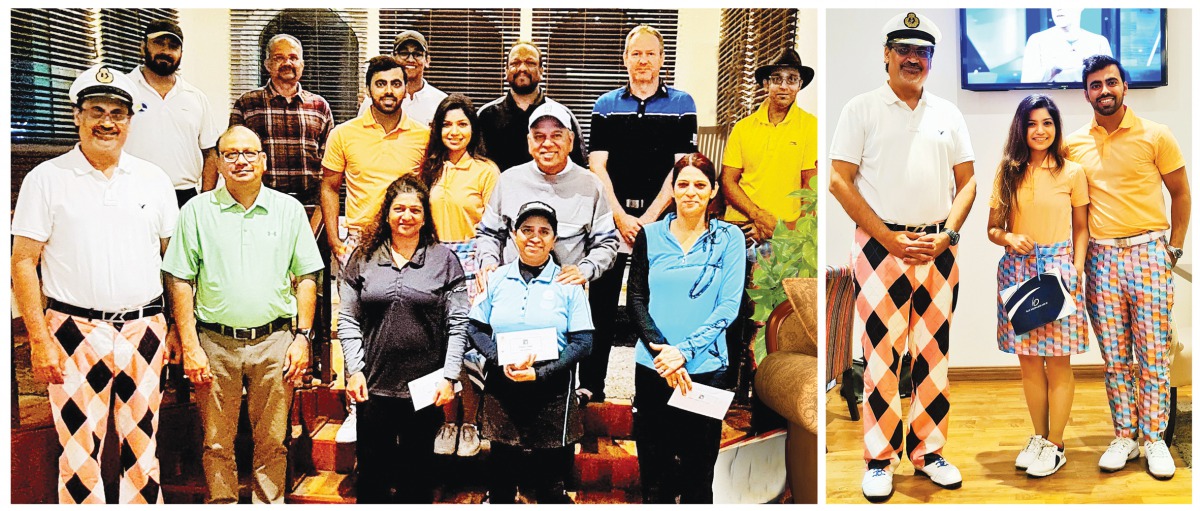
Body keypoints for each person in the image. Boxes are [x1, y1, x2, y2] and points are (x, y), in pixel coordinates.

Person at [11, 64, 178, 504]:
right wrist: (39, 338)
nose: (108, 122)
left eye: (118, 113)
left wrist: (178, 328)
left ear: (129, 120)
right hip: (72, 332)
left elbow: (174, 264)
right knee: (79, 452)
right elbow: (24, 262)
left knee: (144, 450)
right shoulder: (45, 179)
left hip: (145, 329)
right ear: (77, 115)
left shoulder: (154, 179)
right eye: (96, 111)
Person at [828, 12, 977, 502]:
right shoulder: (862, 109)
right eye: (904, 49)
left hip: (937, 249)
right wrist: (888, 238)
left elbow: (969, 181)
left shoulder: (948, 114)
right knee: (881, 358)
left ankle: (929, 453)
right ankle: (878, 459)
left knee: (933, 356)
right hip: (878, 250)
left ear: (931, 59)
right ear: (887, 54)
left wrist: (949, 235)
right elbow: (838, 181)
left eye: (923, 51)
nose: (913, 58)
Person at [162, 126, 323, 504]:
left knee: (273, 440)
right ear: (217, 162)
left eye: (249, 153)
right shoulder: (197, 212)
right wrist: (190, 344)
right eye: (230, 154)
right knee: (216, 441)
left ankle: (270, 502)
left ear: (264, 162)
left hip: (276, 342)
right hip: (215, 343)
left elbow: (306, 279)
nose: (240, 161)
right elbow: (181, 280)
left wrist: (303, 338)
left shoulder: (288, 210)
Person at [1065, 54, 1190, 480]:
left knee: (1154, 354)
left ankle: (1154, 439)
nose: (1104, 90)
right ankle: (1125, 436)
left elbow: (1181, 194)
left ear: (1125, 87)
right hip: (1100, 258)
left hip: (1148, 252)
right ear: (1086, 93)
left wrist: (1172, 249)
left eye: (1111, 82)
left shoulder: (1157, 135)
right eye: (1096, 85)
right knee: (1115, 357)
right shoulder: (1074, 143)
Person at [583, 24, 698, 405]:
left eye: (650, 53)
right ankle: (592, 388)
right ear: (625, 59)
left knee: (653, 307)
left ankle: (649, 392)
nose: (643, 60)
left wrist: (648, 218)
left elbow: (682, 168)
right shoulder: (605, 104)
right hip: (612, 220)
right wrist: (620, 217)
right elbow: (597, 166)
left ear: (662, 59)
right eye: (636, 53)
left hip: (662, 221)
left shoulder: (683, 103)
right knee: (599, 307)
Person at [337, 175, 469, 502]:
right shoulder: (362, 258)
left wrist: (450, 376)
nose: (406, 216)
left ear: (425, 217)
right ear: (386, 213)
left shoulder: (445, 261)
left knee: (418, 477)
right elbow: (348, 319)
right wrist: (354, 369)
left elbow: (458, 323)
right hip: (374, 386)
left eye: (414, 210)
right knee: (372, 478)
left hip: (425, 388)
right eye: (399, 209)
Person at [627, 153, 745, 503]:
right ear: (673, 191)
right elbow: (636, 299)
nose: (690, 192)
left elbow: (729, 306)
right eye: (683, 184)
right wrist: (664, 351)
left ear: (713, 191)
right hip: (654, 367)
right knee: (654, 472)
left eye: (700, 185)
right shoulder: (649, 235)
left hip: (706, 370)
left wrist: (685, 352)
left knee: (698, 472)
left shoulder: (729, 237)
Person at [986, 94, 1089, 478]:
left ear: (1056, 127)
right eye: (1032, 124)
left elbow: (1082, 228)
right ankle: (1039, 437)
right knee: (1029, 362)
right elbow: (993, 229)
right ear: (1021, 128)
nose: (1040, 130)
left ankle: (1056, 444)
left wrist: (1075, 269)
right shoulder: (1007, 172)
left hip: (1058, 272)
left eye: (1047, 123)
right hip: (1018, 272)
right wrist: (1009, 238)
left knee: (1059, 362)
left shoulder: (1073, 172)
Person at [468, 201, 594, 504]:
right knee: (501, 480)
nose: (534, 237)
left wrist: (541, 372)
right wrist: (499, 360)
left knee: (550, 484)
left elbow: (583, 342)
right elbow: (475, 328)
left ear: (554, 238)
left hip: (552, 389)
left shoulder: (568, 282)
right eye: (526, 230)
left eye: (543, 231)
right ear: (513, 234)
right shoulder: (495, 278)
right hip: (503, 383)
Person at [421, 93, 500, 457]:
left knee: (467, 345)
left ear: (473, 129)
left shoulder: (486, 170)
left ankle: (470, 422)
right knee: (436, 345)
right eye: (447, 124)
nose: (454, 131)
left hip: (473, 262)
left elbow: (495, 227)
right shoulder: (427, 169)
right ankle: (446, 421)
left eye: (462, 124)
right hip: (433, 261)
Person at [475, 101, 619, 292]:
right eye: (539, 137)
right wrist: (488, 263)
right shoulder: (508, 180)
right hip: (511, 293)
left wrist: (585, 270)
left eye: (556, 136)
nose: (547, 143)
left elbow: (607, 242)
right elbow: (489, 233)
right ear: (529, 142)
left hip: (566, 295)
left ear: (571, 140)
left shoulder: (592, 186)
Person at [321, 55, 430, 267]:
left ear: (406, 90)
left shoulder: (424, 136)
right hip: (359, 240)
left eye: (396, 84)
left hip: (407, 238)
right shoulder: (343, 134)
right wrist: (334, 241)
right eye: (381, 84)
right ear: (369, 90)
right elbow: (329, 187)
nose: (388, 91)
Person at [722, 47, 818, 242]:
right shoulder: (742, 128)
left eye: (791, 79)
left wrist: (787, 232)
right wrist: (757, 216)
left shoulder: (811, 126)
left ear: (799, 85)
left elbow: (810, 186)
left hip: (784, 231)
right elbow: (728, 181)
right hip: (742, 225)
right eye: (776, 79)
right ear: (766, 84)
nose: (784, 86)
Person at [124, 18, 223, 206]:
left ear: (181, 53)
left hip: (184, 196)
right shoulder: (125, 91)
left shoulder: (196, 97)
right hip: (132, 193)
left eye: (173, 46)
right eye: (158, 44)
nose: (165, 51)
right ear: (143, 46)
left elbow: (210, 153)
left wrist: (204, 200)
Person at [230, 33, 335, 206]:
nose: (287, 63)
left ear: (302, 64)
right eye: (279, 57)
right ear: (267, 64)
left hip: (310, 203)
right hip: (260, 201)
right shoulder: (247, 104)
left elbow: (330, 164)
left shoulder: (319, 106)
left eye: (293, 58)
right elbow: (235, 156)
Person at [476, 40, 588, 171]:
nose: (522, 68)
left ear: (541, 70)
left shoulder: (563, 116)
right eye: (515, 63)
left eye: (530, 63)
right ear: (506, 71)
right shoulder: (485, 116)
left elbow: (578, 168)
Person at [357, 30, 447, 127]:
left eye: (417, 54)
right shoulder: (376, 101)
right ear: (393, 58)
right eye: (404, 53)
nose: (410, 59)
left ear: (427, 60)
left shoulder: (441, 102)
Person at [1020, 8, 1112, 83]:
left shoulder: (1099, 42)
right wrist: (1054, 68)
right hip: (1048, 103)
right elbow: (1025, 84)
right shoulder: (1036, 40)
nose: (1058, 8)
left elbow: (1110, 81)